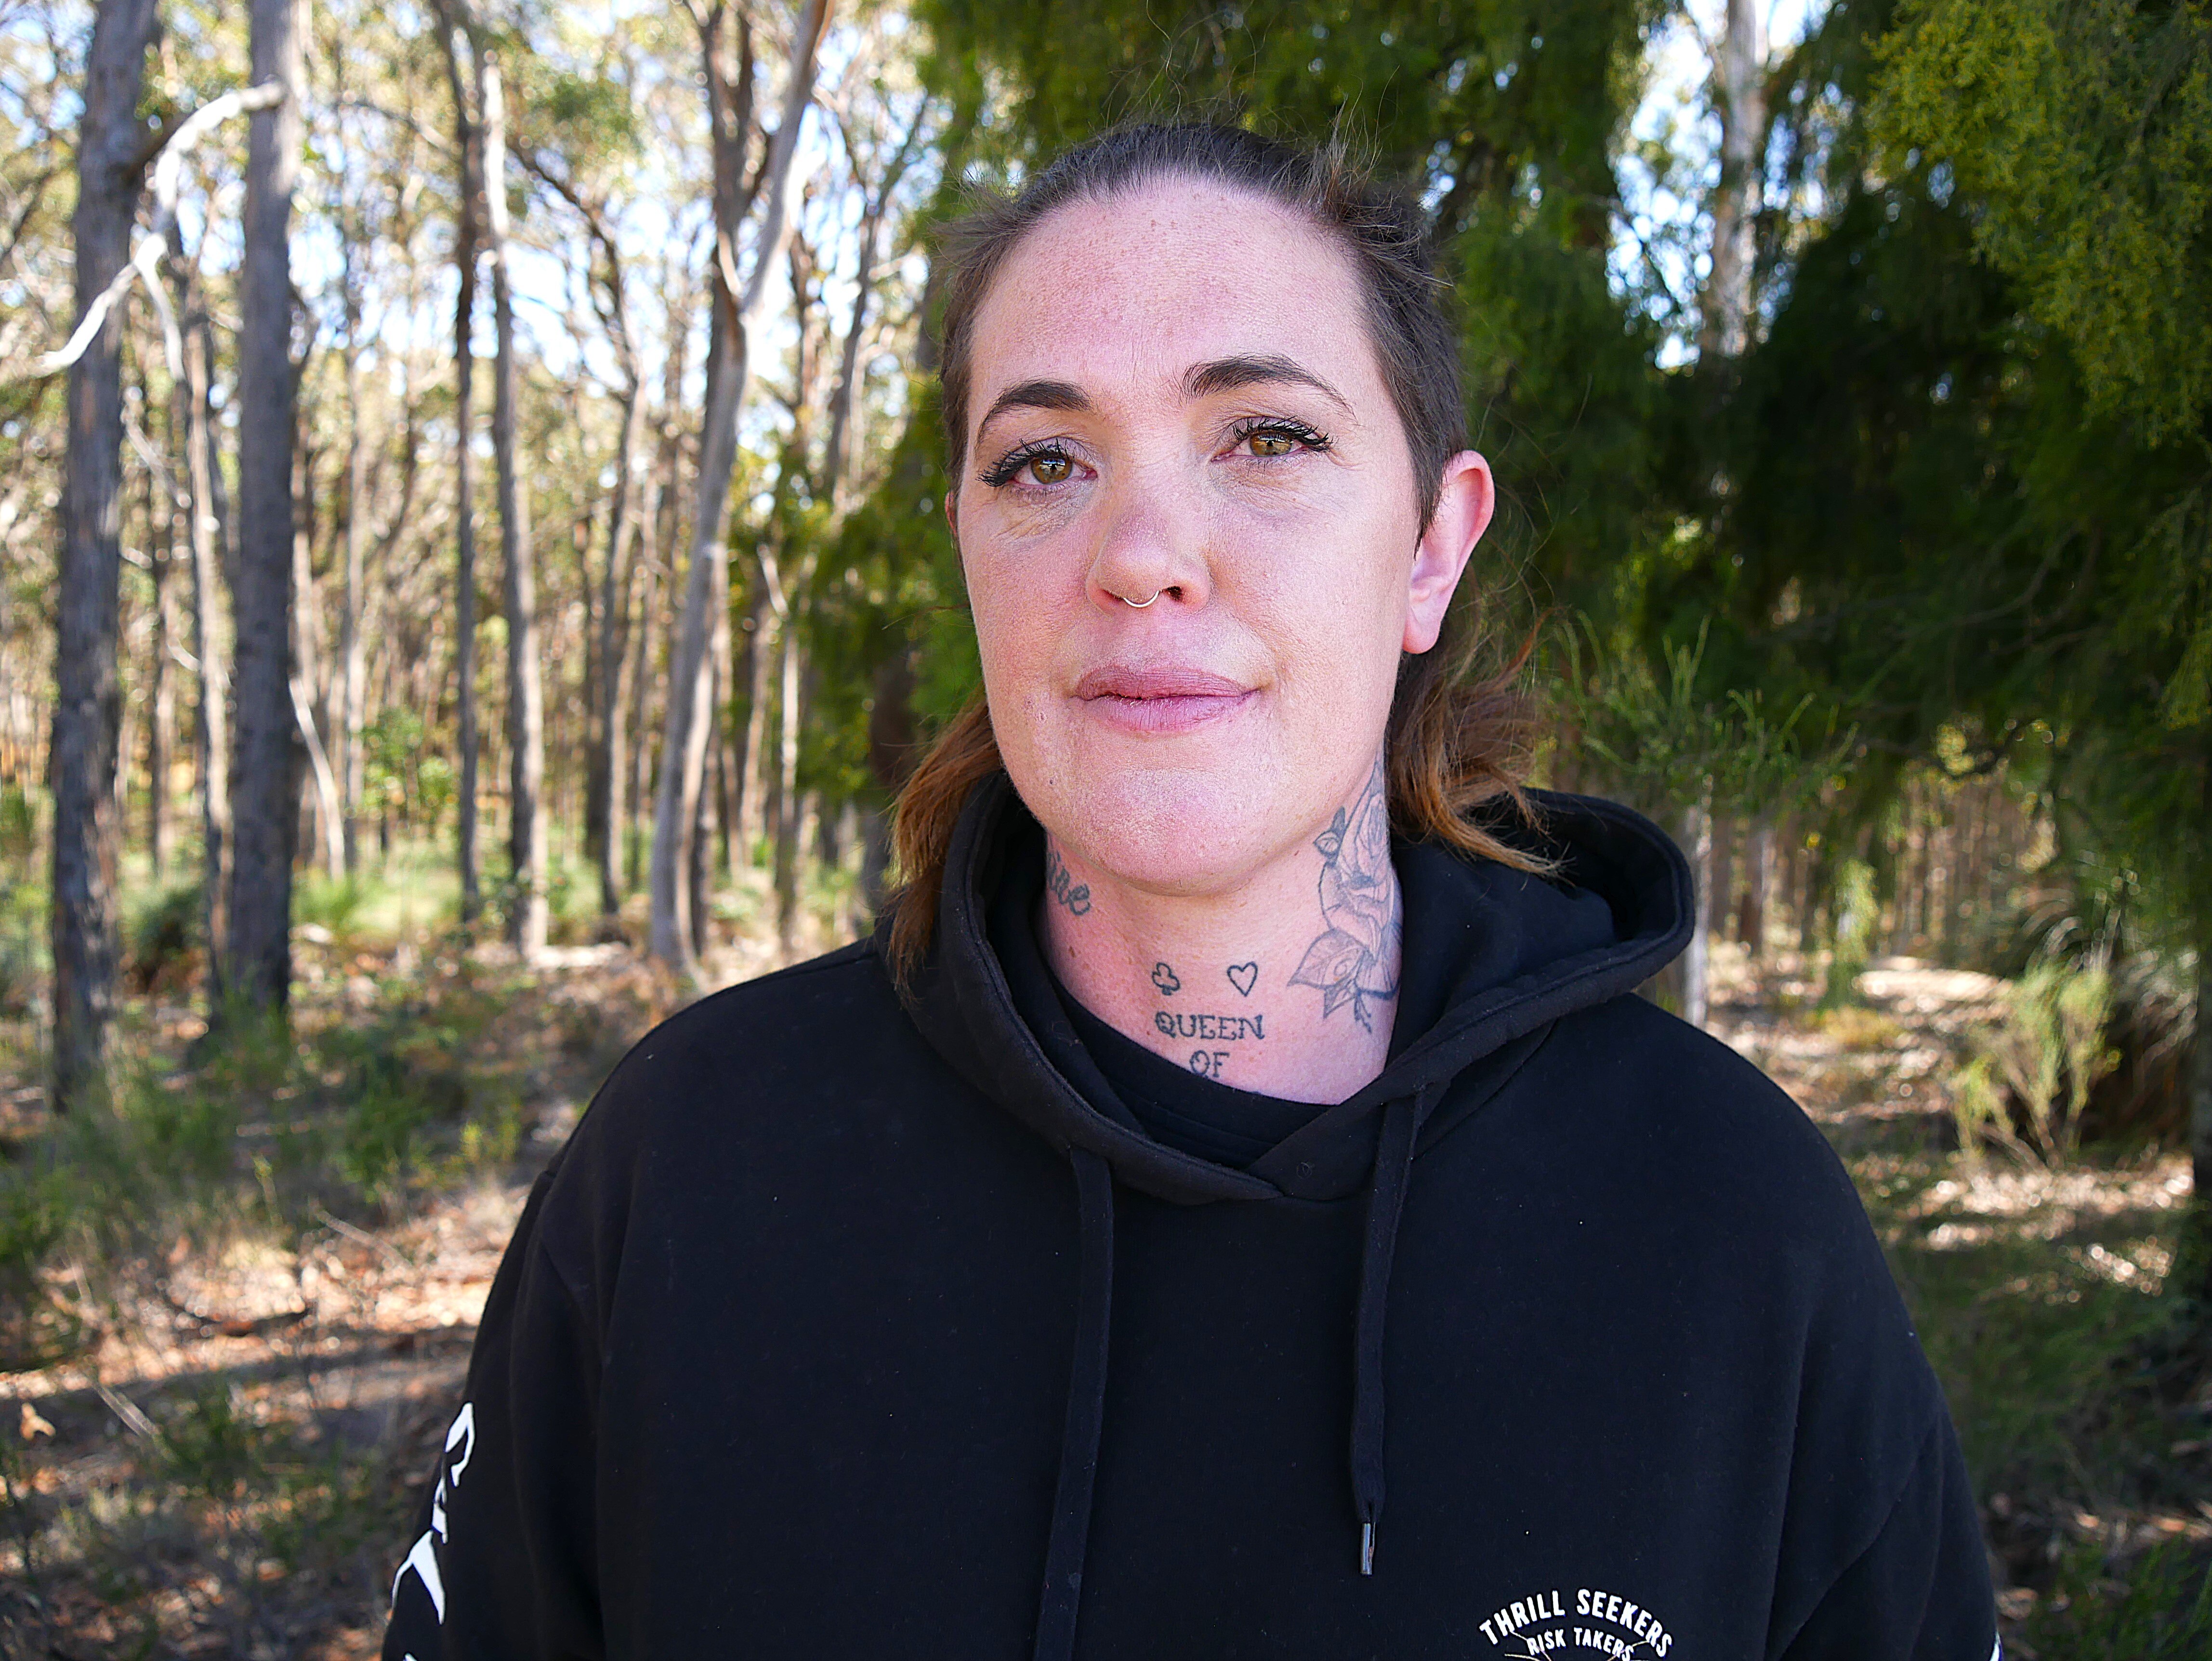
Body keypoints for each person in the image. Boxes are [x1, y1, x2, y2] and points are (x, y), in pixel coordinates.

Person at [383, 124, 1999, 1661]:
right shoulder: (690, 1170)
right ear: (967, 541)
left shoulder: (1727, 1221)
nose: (1143, 548)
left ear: (1433, 548)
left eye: (1270, 436)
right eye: (1042, 461)